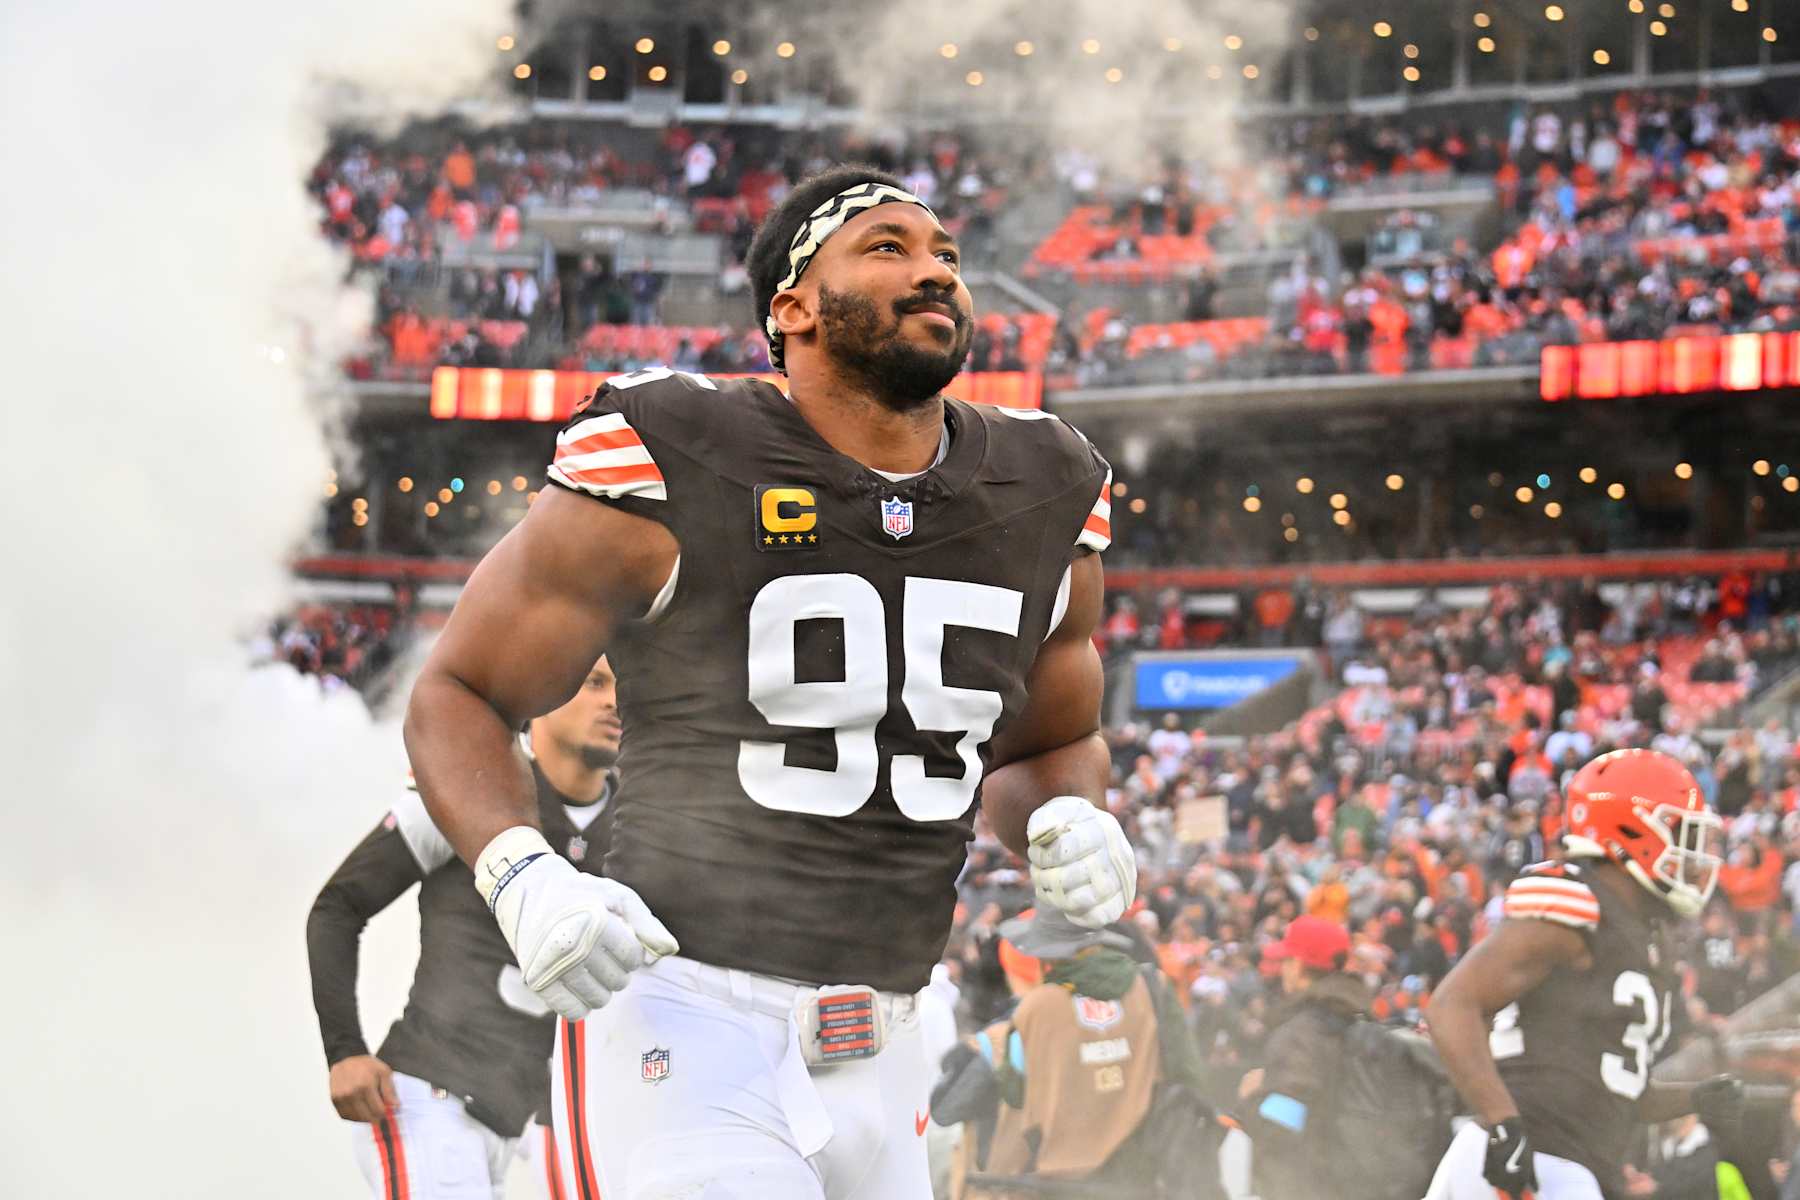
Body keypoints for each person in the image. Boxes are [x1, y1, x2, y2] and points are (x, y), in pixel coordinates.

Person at [403, 163, 1134, 1200]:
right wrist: (521, 874)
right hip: (691, 1017)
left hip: (894, 1033)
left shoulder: (1046, 482)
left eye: (947, 257)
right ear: (792, 307)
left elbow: (1048, 745)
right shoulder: (678, 450)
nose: (935, 274)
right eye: (888, 248)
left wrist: (1069, 818)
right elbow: (461, 692)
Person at [306, 655, 623, 1200]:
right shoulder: (473, 783)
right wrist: (345, 1050)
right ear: (541, 691)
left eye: (624, 685)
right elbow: (339, 905)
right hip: (434, 1094)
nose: (614, 701)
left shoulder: (641, 821)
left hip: (553, 1121)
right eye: (594, 683)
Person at [1424, 749, 1743, 1200]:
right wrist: (1503, 1128)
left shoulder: (1645, 935)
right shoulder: (1580, 903)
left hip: (1567, 1163)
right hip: (1532, 1162)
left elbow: (1610, 1088)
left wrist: (1693, 1099)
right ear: (1631, 828)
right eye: (1678, 833)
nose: (1692, 854)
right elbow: (1451, 1005)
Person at [1235, 915, 1372, 1200]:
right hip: (1359, 1180)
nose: (1281, 969)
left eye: (1285, 961)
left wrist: (1253, 1097)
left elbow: (1283, 1126)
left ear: (1297, 967)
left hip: (1309, 1186)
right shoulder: (1361, 1018)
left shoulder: (1300, 1034)